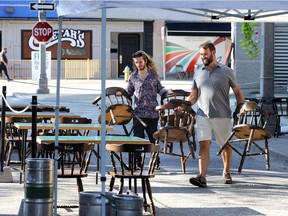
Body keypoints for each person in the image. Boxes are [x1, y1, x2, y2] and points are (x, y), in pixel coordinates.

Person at [185, 41, 245, 187]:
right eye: (201, 54)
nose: (203, 57)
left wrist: (241, 107)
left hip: (222, 115)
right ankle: (202, 176)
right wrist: (183, 106)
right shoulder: (198, 72)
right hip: (203, 114)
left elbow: (237, 92)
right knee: (203, 145)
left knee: (224, 144)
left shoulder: (226, 71)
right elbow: (193, 96)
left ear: (213, 52)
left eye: (205, 54)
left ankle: (226, 171)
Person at [123, 50, 172, 168]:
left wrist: (167, 92)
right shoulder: (133, 77)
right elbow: (129, 92)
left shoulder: (153, 75)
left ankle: (156, 162)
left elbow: (160, 89)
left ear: (145, 61)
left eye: (140, 62)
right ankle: (138, 163)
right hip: (138, 113)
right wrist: (121, 93)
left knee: (153, 139)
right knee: (138, 139)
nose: (139, 64)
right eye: (136, 62)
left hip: (152, 113)